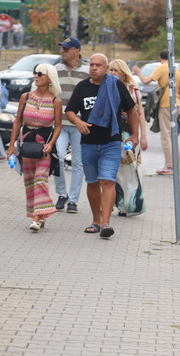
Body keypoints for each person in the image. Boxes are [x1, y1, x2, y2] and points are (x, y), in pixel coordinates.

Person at [66, 53, 139, 239]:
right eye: (91, 64)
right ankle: (96, 221)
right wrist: (78, 123)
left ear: (106, 68)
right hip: (88, 143)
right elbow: (70, 111)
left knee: (107, 181)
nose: (94, 68)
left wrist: (135, 135)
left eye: (98, 65)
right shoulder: (82, 87)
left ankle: (106, 223)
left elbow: (131, 110)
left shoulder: (115, 85)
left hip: (111, 142)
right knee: (92, 182)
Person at [6, 63, 62, 232]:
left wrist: (51, 144)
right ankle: (39, 214)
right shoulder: (26, 97)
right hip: (27, 144)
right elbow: (18, 122)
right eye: (35, 73)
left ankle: (36, 220)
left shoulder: (55, 101)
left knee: (40, 179)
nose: (36, 76)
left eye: (40, 74)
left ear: (49, 78)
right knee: (29, 181)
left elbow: (58, 126)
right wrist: (11, 146)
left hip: (44, 146)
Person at [54, 36, 90, 213]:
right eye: (63, 49)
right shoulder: (56, 69)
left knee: (78, 163)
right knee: (58, 157)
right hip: (59, 123)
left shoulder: (88, 70)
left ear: (77, 51)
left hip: (79, 124)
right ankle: (62, 194)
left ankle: (74, 200)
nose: (63, 52)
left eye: (67, 49)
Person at [133, 50, 180, 175]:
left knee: (165, 136)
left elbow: (145, 81)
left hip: (166, 104)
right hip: (175, 104)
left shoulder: (161, 68)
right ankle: (176, 166)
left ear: (160, 57)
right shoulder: (176, 70)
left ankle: (170, 166)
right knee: (172, 136)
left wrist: (138, 73)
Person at [109, 59, 147, 217]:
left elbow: (140, 114)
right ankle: (114, 202)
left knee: (131, 171)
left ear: (123, 73)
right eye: (110, 70)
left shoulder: (133, 91)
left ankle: (130, 204)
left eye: (115, 70)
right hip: (112, 136)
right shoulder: (106, 88)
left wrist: (142, 135)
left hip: (130, 136)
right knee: (113, 171)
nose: (112, 73)